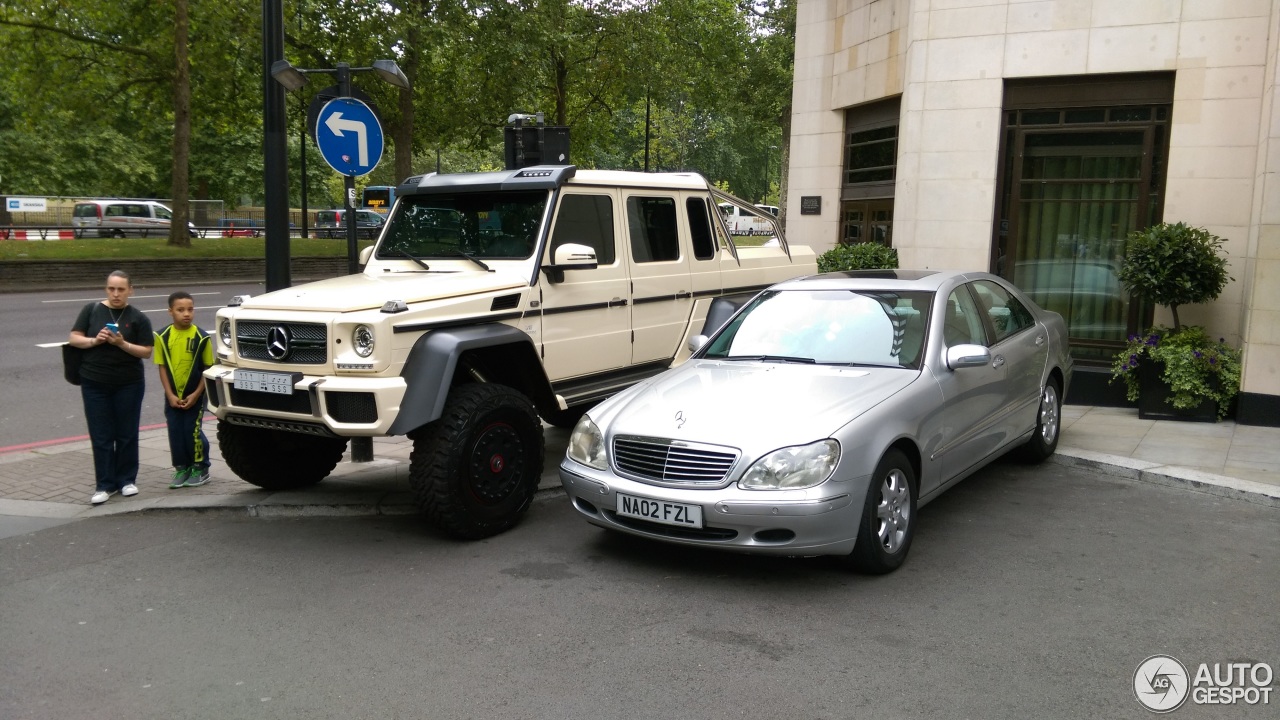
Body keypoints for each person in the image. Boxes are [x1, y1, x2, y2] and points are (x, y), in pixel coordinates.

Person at [68, 270, 154, 505]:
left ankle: (126, 480)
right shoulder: (91, 310)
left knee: (126, 433)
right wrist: (95, 340)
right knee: (101, 434)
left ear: (130, 290)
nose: (115, 294)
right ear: (106, 289)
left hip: (128, 383)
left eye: (121, 289)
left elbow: (146, 351)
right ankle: (104, 485)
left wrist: (121, 343)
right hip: (94, 382)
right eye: (111, 289)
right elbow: (74, 337)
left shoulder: (138, 318)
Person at [153, 291, 215, 488]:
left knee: (192, 430)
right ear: (170, 311)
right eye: (180, 310)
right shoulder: (162, 337)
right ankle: (182, 468)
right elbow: (162, 366)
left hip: (194, 394)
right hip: (173, 395)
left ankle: (200, 467)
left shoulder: (202, 338)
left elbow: (208, 369)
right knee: (175, 431)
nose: (186, 314)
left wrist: (196, 394)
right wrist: (170, 394)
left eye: (190, 309)